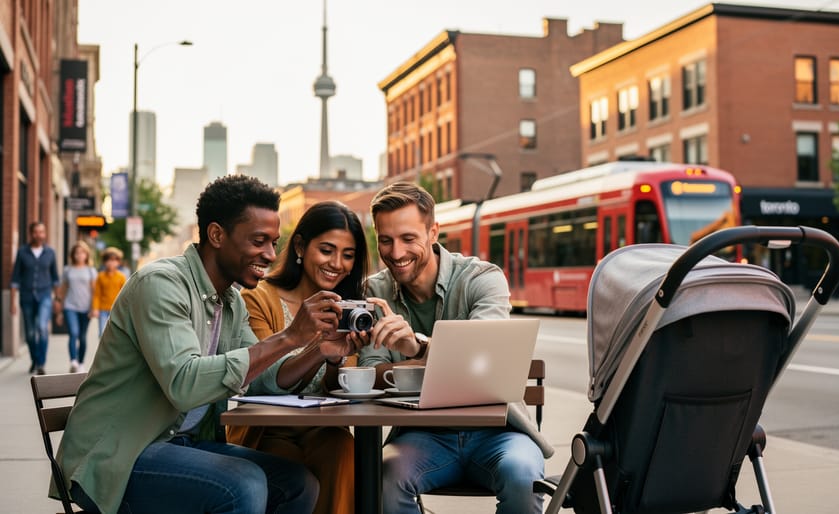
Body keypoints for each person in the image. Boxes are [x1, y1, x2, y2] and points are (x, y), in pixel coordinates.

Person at [53, 175, 359, 514]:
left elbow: (263, 380)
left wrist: (318, 351)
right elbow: (184, 384)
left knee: (297, 484)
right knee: (243, 485)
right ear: (217, 235)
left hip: (185, 445)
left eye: (274, 242)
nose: (271, 255)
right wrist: (289, 337)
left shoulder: (231, 301)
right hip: (119, 455)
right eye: (260, 241)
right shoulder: (160, 285)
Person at [354, 182, 553, 514]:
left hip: (499, 432)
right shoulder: (375, 290)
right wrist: (441, 360)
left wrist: (414, 348)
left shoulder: (482, 278)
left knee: (522, 477)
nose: (396, 253)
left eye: (408, 238)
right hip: (423, 436)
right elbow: (371, 374)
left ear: (433, 232)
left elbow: (483, 357)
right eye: (385, 240)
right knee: (384, 477)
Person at [228, 200, 369, 514]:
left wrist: (336, 359)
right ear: (301, 247)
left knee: (345, 450)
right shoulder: (258, 297)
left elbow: (339, 391)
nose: (337, 263)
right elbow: (262, 381)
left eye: (348, 255)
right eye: (327, 250)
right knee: (289, 467)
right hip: (267, 431)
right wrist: (316, 349)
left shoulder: (349, 308)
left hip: (324, 430)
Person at [10, 221, 60, 375]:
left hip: (45, 295)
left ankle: (41, 363)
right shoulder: (22, 252)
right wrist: (12, 301)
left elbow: (55, 278)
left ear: (45, 234)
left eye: (42, 232)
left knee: (42, 328)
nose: (39, 235)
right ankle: (35, 359)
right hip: (26, 296)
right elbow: (15, 278)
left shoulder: (50, 252)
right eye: (36, 232)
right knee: (30, 333)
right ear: (31, 233)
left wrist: (57, 300)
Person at [56, 241, 97, 373]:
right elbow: (63, 289)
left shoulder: (91, 271)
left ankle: (81, 362)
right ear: (73, 254)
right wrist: (59, 310)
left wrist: (93, 308)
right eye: (77, 252)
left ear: (86, 255)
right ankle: (73, 360)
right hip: (70, 306)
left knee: (83, 336)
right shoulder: (68, 270)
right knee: (73, 333)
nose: (79, 255)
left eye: (82, 252)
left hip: (86, 308)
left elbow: (94, 291)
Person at [91, 246, 127, 337]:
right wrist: (95, 308)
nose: (111, 263)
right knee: (102, 334)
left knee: (115, 335)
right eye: (108, 260)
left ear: (118, 262)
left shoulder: (121, 277)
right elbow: (97, 294)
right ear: (104, 262)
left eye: (114, 260)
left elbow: (124, 295)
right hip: (103, 309)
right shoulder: (100, 276)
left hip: (116, 310)